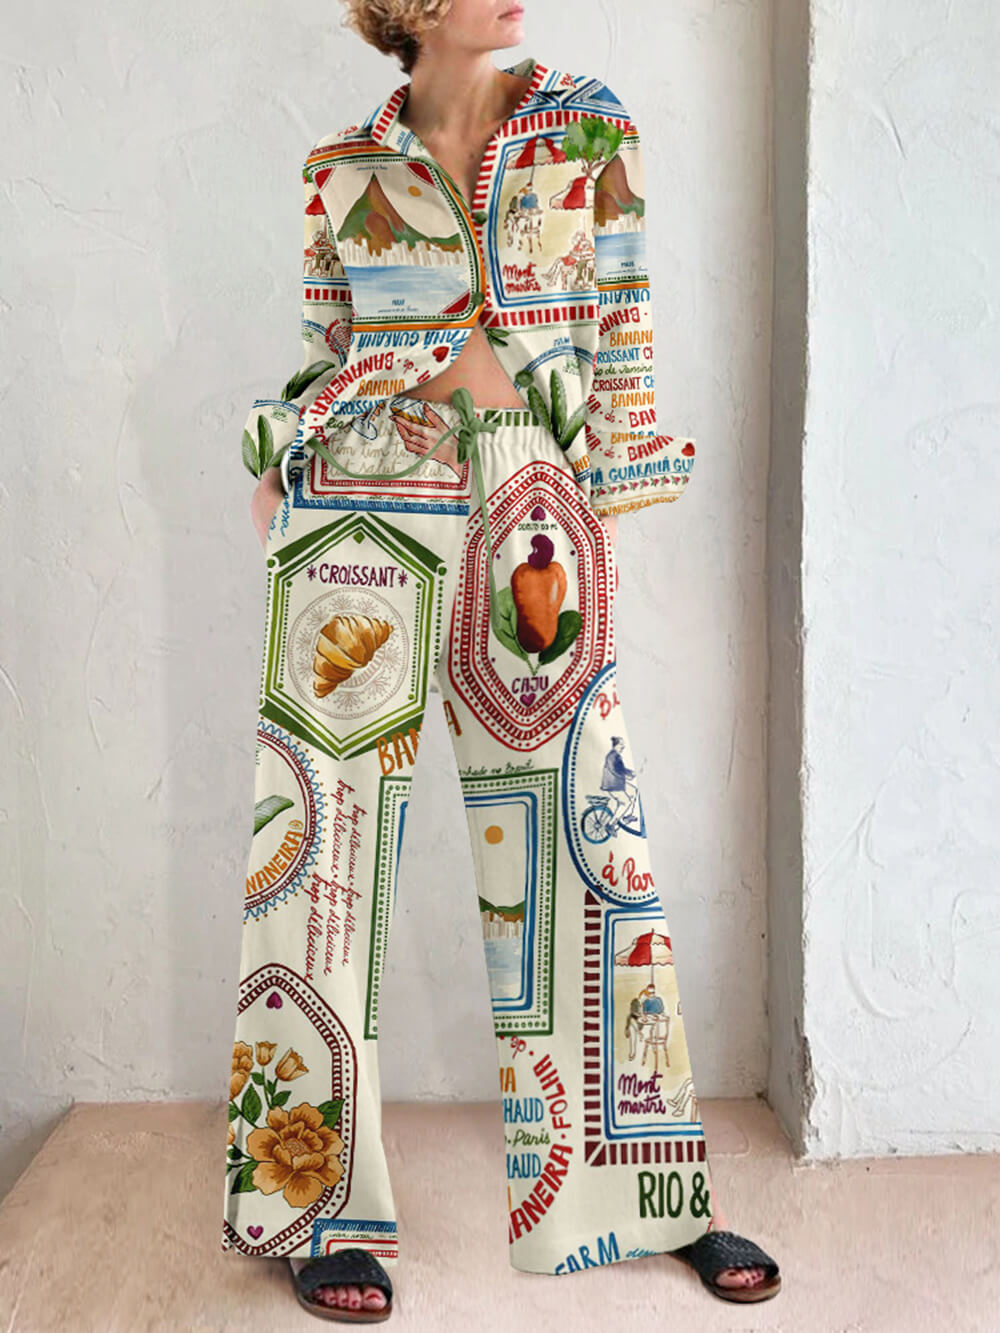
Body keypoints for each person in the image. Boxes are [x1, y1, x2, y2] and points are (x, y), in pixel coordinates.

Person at [226, 0, 781, 1320]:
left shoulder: (589, 128)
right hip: (357, 499)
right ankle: (311, 1209)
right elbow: (325, 349)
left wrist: (607, 503)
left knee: (585, 842)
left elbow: (622, 329)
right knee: (318, 855)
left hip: (532, 500)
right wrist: (278, 464)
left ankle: (643, 1198)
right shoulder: (341, 166)